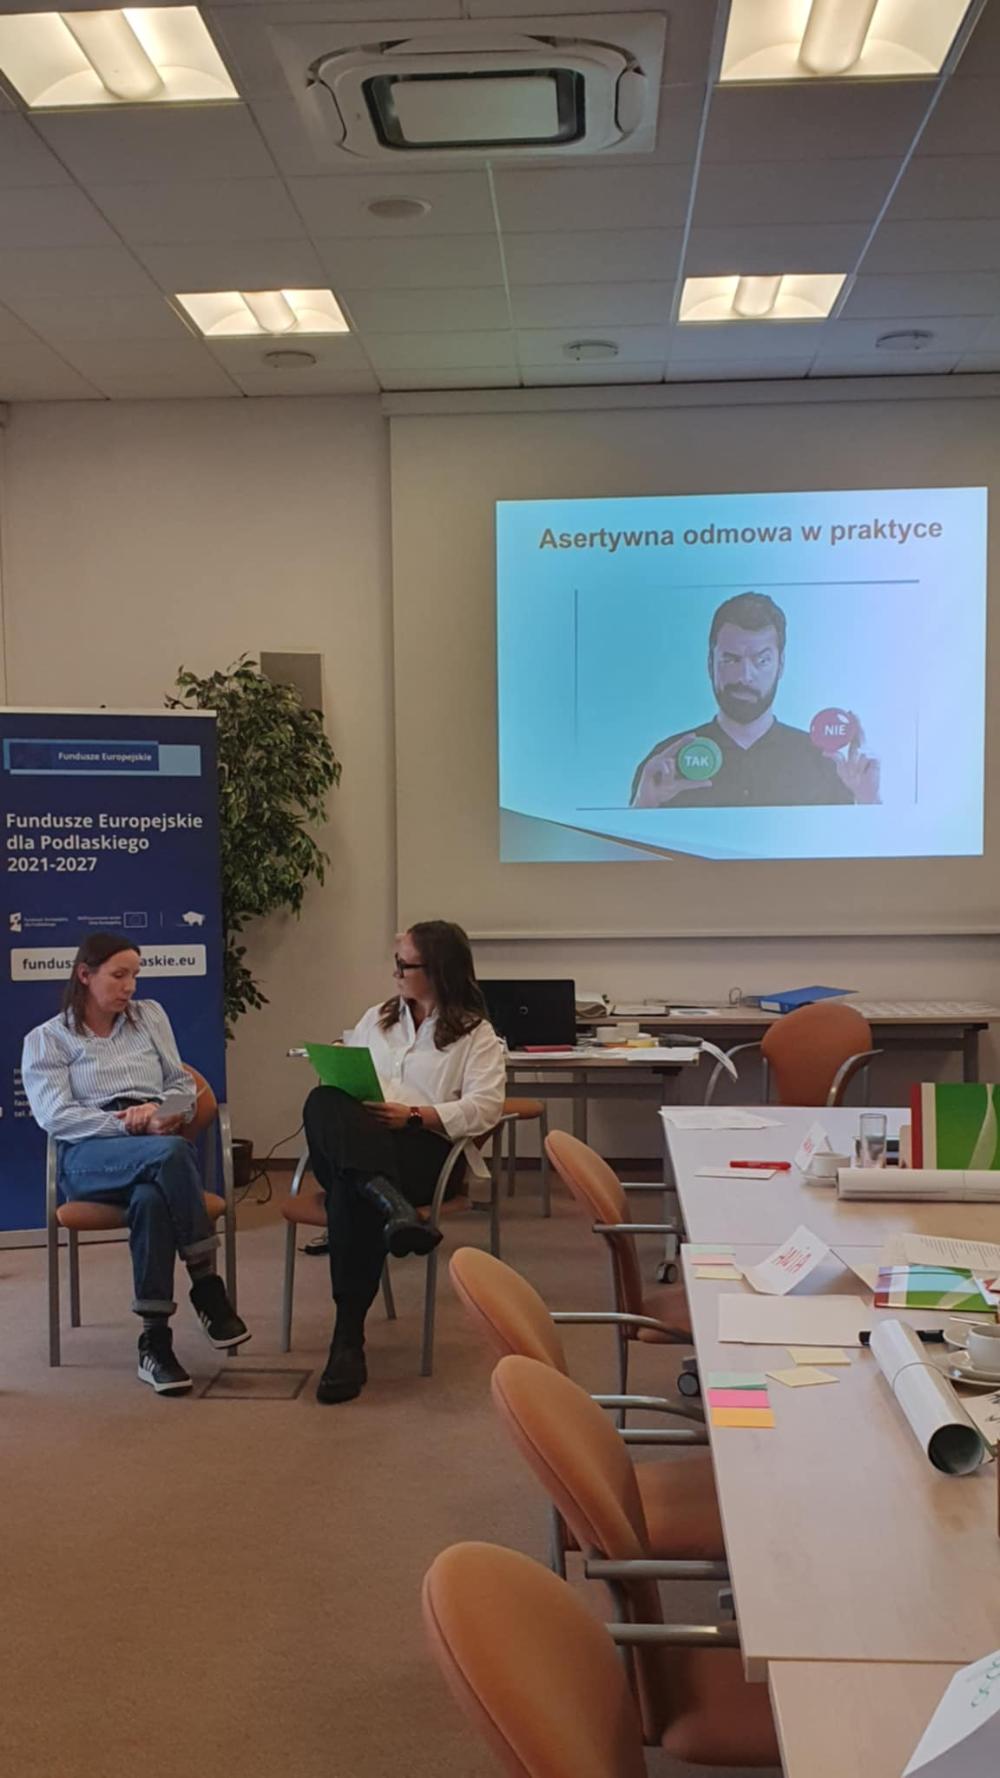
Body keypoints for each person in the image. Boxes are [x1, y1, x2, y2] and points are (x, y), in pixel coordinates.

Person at [21, 932, 249, 1395]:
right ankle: (207, 1285)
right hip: (90, 1155)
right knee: (171, 1154)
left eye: (135, 976)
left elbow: (181, 1085)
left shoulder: (149, 1017)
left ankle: (154, 1343)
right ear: (85, 975)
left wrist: (165, 1113)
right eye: (119, 975)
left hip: (154, 1143)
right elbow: (56, 1116)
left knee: (151, 1199)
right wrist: (127, 1126)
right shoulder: (48, 1039)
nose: (130, 987)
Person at [303, 920, 506, 1405]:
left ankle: (347, 1340)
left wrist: (414, 1115)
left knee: (350, 1193)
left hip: (423, 1150)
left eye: (405, 965)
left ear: (437, 970)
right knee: (322, 1100)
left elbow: (486, 1107)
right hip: (365, 1144)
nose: (395, 973)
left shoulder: (475, 1034)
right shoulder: (377, 1018)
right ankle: (391, 1206)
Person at [630, 591, 880, 808]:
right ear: (710, 663)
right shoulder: (667, 764)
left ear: (781, 665)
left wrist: (868, 798)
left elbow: (853, 847)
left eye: (761, 660)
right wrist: (644, 803)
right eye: (731, 659)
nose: (745, 676)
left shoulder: (825, 763)